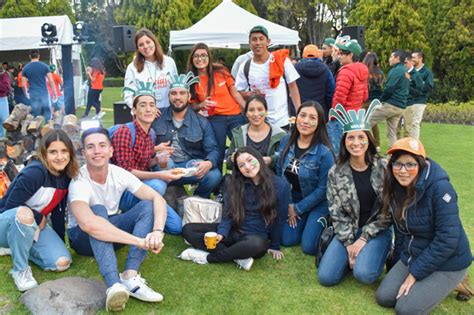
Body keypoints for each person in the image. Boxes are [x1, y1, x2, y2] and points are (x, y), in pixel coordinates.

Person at [68, 127, 167, 312]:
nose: (97, 151)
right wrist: (139, 241)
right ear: (83, 153)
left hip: (112, 233)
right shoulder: (79, 181)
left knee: (146, 205)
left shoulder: (118, 173)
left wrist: (157, 231)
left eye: (102, 145)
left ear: (111, 150)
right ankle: (114, 285)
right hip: (83, 238)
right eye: (90, 147)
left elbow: (157, 199)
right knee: (97, 210)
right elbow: (89, 225)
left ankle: (130, 276)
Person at [375, 137, 472, 314]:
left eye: (410, 164)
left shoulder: (441, 189)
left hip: (448, 260)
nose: (403, 170)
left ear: (421, 164)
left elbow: (447, 241)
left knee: (406, 309)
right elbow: (402, 232)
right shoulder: (397, 187)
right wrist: (399, 265)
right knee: (384, 297)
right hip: (417, 253)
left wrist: (414, 275)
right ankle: (430, 282)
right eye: (398, 164)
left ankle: (457, 282)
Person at [317, 101, 392, 286]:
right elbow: (336, 212)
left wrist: (364, 239)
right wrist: (349, 243)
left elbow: (388, 212)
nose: (356, 143)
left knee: (364, 275)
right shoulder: (336, 171)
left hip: (377, 230)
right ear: (344, 141)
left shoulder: (384, 168)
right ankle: (355, 257)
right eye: (351, 138)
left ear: (369, 140)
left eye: (361, 137)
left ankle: (380, 251)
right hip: (348, 229)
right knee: (326, 278)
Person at [179, 147, 290, 270]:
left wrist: (275, 245)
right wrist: (221, 234)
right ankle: (237, 257)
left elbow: (279, 217)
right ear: (239, 170)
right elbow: (228, 214)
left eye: (250, 160)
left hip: (255, 237)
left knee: (256, 245)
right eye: (241, 165)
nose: (247, 167)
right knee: (188, 230)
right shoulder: (234, 184)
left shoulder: (280, 185)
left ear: (258, 159)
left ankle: (207, 258)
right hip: (233, 231)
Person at [0, 129, 79, 291]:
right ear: (44, 153)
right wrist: (38, 217)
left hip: (33, 226)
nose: (59, 157)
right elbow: (11, 206)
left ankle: (15, 247)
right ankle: (20, 271)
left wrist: (58, 240)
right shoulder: (35, 173)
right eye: (53, 152)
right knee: (25, 214)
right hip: (7, 222)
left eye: (64, 151)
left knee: (61, 262)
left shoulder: (66, 176)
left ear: (70, 153)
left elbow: (58, 212)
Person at [111, 90, 183, 234]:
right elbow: (126, 171)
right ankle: (133, 215)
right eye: (143, 105)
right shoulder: (124, 132)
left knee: (176, 227)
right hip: (122, 192)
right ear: (134, 110)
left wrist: (157, 159)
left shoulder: (151, 133)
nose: (148, 109)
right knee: (158, 184)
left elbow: (143, 162)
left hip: (141, 188)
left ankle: (145, 215)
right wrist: (161, 175)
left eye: (152, 105)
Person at [276, 101, 335, 255]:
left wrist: (298, 208)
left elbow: (323, 189)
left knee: (308, 247)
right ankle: (306, 223)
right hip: (293, 199)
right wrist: (289, 204)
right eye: (302, 115)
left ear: (319, 123)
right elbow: (279, 173)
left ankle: (324, 221)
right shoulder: (286, 141)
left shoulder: (324, 152)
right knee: (287, 239)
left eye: (312, 118)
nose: (306, 121)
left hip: (318, 203)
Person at [152, 72, 221, 198]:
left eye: (182, 93)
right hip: (165, 168)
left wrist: (208, 163)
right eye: (174, 93)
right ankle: (168, 195)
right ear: (168, 96)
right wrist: (156, 152)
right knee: (166, 163)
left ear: (189, 96)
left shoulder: (201, 122)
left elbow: (213, 149)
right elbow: (142, 144)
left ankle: (195, 199)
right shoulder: (157, 117)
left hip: (190, 168)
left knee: (214, 175)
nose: (178, 97)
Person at [187, 43, 246, 170]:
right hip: (215, 119)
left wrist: (247, 109)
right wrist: (201, 105)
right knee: (217, 154)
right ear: (192, 59)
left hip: (235, 116)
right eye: (196, 56)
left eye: (203, 55)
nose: (200, 59)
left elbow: (234, 92)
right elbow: (191, 107)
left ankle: (242, 183)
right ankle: (218, 186)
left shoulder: (220, 71)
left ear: (209, 57)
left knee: (243, 150)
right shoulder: (191, 80)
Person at [235, 25, 301, 129]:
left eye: (261, 39)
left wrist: (299, 113)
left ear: (268, 41)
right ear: (249, 44)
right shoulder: (245, 66)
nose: (258, 43)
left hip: (281, 121)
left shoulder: (281, 61)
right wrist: (248, 94)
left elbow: (293, 87)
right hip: (258, 122)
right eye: (254, 39)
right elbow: (238, 91)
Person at [328, 39, 368, 155]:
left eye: (342, 53)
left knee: (338, 150)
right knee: (354, 149)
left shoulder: (346, 71)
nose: (339, 56)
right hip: (356, 116)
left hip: (342, 117)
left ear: (350, 55)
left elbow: (339, 98)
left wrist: (334, 115)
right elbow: (365, 96)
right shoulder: (363, 70)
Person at [124, 28, 178, 110]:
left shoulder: (169, 62)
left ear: (154, 42)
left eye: (148, 42)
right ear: (138, 48)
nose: (145, 46)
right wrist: (147, 109)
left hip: (168, 113)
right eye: (141, 45)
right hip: (145, 116)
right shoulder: (132, 67)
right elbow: (128, 96)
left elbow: (175, 88)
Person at [228, 95, 286, 170]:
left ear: (266, 112)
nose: (256, 114)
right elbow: (229, 165)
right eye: (251, 110)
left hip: (271, 178)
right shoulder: (239, 133)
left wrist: (271, 160)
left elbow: (285, 161)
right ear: (246, 113)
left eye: (260, 109)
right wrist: (232, 159)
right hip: (245, 178)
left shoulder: (280, 135)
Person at [369, 49, 409, 147]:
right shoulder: (405, 70)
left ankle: (367, 150)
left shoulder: (396, 70)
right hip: (400, 107)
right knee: (392, 133)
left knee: (365, 123)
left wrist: (381, 99)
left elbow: (389, 88)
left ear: (397, 58)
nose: (389, 59)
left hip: (391, 105)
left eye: (391, 56)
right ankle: (393, 156)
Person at [294, 44, 335, 118]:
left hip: (300, 111)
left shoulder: (294, 69)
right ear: (318, 56)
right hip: (320, 111)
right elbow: (331, 92)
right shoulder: (326, 69)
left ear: (303, 56)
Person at [22, 49, 58, 119]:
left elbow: (23, 85)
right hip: (44, 92)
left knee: (36, 114)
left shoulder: (25, 68)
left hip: (33, 93)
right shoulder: (45, 66)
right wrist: (54, 93)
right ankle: (48, 126)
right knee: (47, 111)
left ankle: (35, 128)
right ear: (39, 56)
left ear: (30, 56)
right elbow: (51, 81)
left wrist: (26, 93)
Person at [407, 50, 434, 139]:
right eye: (411, 58)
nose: (412, 60)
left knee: (415, 123)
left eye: (414, 57)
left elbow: (429, 86)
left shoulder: (426, 71)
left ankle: (415, 145)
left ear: (420, 58)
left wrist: (418, 86)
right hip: (408, 101)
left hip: (419, 101)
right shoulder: (410, 70)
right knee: (407, 123)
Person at [397, 54, 424, 139]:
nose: (404, 65)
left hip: (408, 105)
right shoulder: (399, 72)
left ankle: (406, 150)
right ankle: (395, 150)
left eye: (405, 63)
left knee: (407, 130)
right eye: (402, 63)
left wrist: (407, 83)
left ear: (411, 62)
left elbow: (418, 92)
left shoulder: (416, 75)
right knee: (396, 129)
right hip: (397, 104)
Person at [361, 52, 384, 149]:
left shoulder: (365, 72)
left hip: (366, 100)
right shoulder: (380, 73)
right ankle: (377, 143)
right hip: (376, 101)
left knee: (364, 123)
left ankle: (369, 142)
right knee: (374, 124)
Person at [0, 66, 11, 136]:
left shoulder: (4, 76)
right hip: (2, 98)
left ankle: (4, 137)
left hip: (2, 99)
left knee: (4, 120)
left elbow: (6, 88)